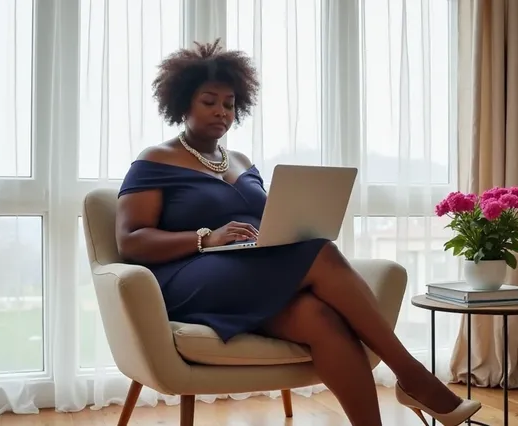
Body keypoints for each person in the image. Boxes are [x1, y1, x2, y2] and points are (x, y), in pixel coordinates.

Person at [115, 39, 481, 426]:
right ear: (183, 102)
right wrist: (206, 237)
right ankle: (415, 377)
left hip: (250, 271)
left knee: (319, 317)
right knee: (321, 252)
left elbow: (270, 216)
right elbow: (131, 240)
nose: (222, 112)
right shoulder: (155, 160)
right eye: (210, 101)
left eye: (230, 103)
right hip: (190, 278)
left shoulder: (240, 161)